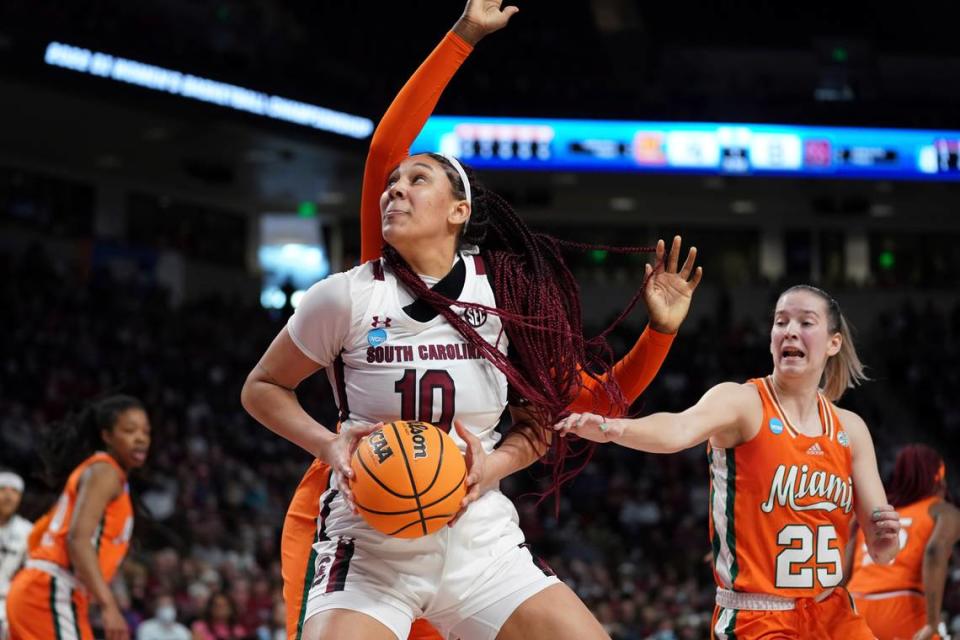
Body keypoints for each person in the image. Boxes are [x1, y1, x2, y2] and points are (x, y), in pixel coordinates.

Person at [242, 2, 705, 639]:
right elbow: (261, 387)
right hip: (369, 537)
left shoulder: (510, 295)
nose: (394, 189)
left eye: (418, 180)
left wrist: (659, 334)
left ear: (459, 211)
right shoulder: (347, 293)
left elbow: (589, 406)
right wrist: (462, 36)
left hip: (476, 534)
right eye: (391, 185)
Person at [556, 284, 903, 639]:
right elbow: (678, 428)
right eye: (781, 322)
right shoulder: (742, 402)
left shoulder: (852, 429)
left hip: (834, 613)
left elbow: (883, 550)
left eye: (806, 322)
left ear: (833, 343)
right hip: (759, 617)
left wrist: (886, 540)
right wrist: (613, 427)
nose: (790, 331)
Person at [6, 395, 151, 640]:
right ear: (107, 436)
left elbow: (38, 535)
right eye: (129, 430)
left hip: (45, 589)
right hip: (51, 591)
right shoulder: (106, 471)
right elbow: (77, 540)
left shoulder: (99, 473)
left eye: (146, 432)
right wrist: (108, 605)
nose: (141, 438)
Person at [847, 444, 960, 640]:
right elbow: (934, 552)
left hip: (854, 606)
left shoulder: (874, 513)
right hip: (901, 607)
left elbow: (842, 572)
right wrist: (932, 622)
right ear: (936, 478)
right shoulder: (941, 510)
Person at [0, 470, 32, 640]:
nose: (8, 496)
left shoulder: (27, 531)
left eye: (14, 491)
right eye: (3, 489)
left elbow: (31, 573)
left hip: (8, 605)